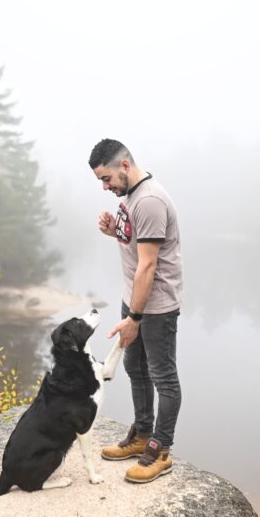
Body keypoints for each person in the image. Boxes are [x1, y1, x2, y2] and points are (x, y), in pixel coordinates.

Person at [88, 138, 183, 484]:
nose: (105, 186)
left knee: (163, 377)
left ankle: (162, 450)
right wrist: (117, 231)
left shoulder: (151, 200)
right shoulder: (131, 195)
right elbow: (136, 244)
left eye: (107, 178)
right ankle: (143, 433)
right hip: (136, 299)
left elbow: (148, 266)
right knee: (134, 365)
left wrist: (134, 319)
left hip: (156, 306)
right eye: (101, 180)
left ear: (124, 166)